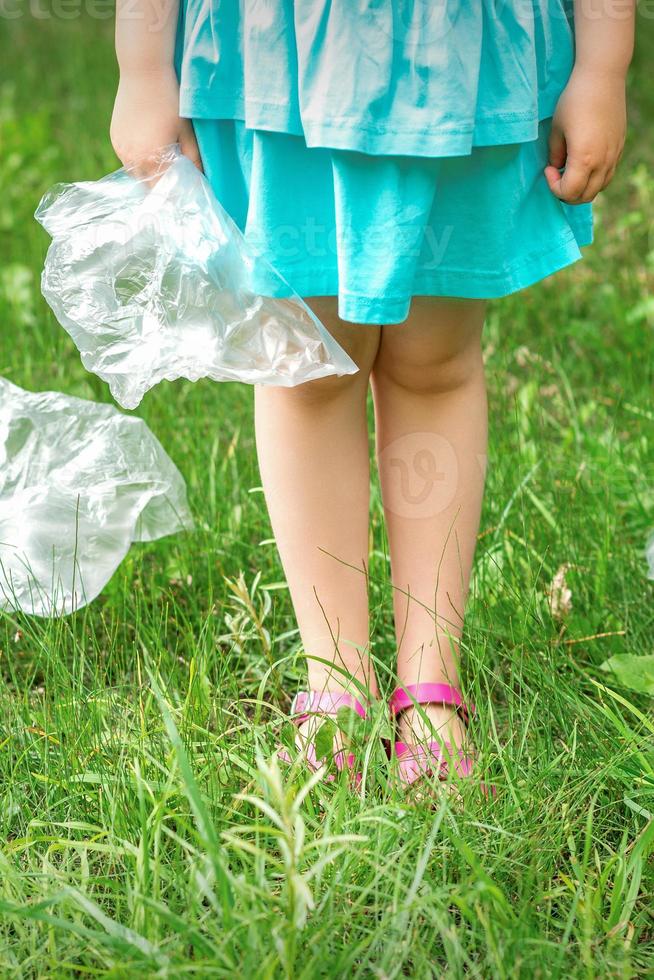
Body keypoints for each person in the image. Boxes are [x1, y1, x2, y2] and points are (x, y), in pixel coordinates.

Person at [111, 0, 634, 793]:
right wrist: (142, 65)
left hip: (463, 61)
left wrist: (604, 63)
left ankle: (430, 683)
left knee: (435, 362)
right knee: (311, 370)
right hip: (282, 65)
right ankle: (336, 682)